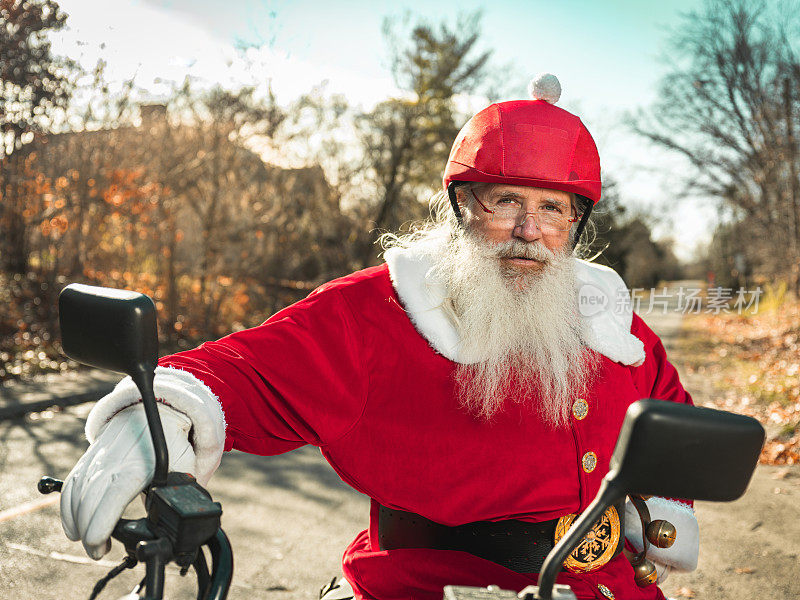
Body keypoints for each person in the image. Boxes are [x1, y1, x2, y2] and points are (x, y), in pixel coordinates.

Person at [60, 74, 699, 600]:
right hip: (428, 587)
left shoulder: (608, 316)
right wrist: (162, 412)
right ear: (462, 207)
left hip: (610, 587)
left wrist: (666, 504)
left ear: (576, 222)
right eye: (504, 201)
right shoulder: (388, 309)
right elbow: (255, 371)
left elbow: (674, 419)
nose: (528, 229)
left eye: (552, 208)